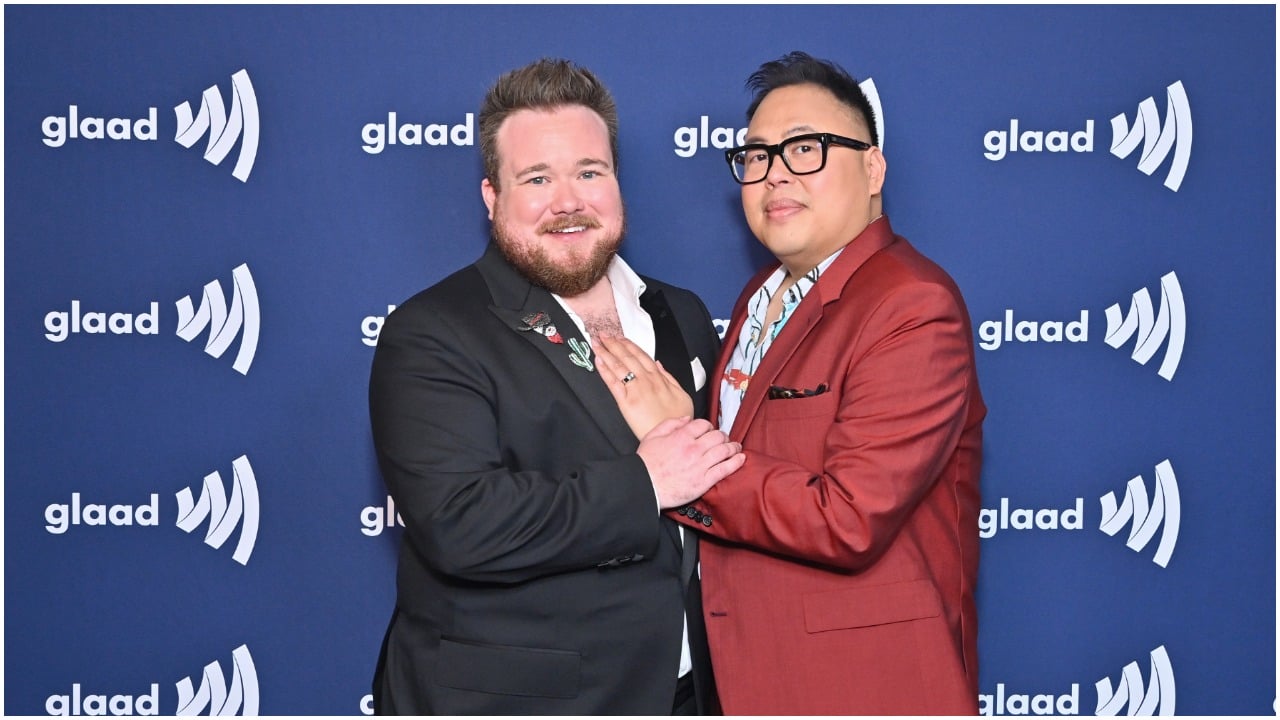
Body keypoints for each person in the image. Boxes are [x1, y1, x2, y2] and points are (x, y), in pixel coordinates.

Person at [601, 51, 986, 714]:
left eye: (806, 148)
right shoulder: (761, 296)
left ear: (873, 168)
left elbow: (850, 517)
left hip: (864, 687)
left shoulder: (912, 303)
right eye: (757, 156)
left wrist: (679, 449)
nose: (775, 174)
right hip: (748, 678)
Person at [367, 58, 742, 715]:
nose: (567, 201)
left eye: (588, 173)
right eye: (536, 178)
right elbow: (461, 524)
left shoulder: (680, 313)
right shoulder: (432, 332)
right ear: (492, 198)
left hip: (680, 694)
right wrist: (647, 482)